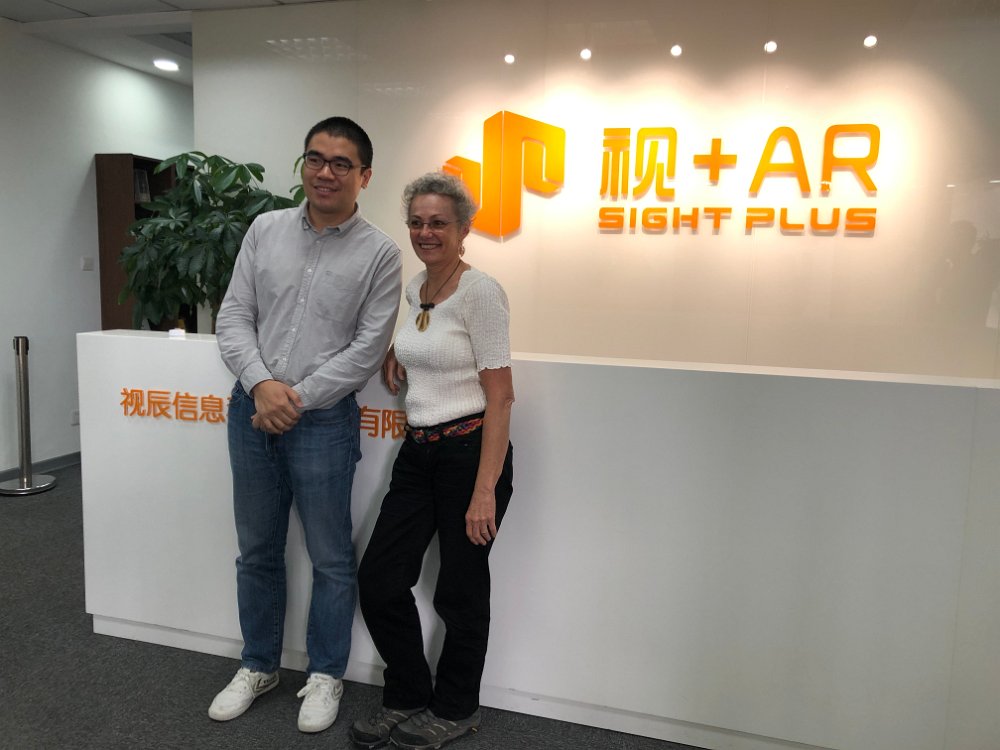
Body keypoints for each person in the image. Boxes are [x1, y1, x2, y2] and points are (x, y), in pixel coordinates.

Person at [209, 117, 402, 733]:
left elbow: (367, 349)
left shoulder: (381, 254)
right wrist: (261, 385)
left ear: (364, 176)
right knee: (256, 551)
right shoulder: (264, 230)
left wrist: (294, 398)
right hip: (250, 412)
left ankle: (325, 674)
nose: (325, 172)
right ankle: (258, 664)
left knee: (330, 557)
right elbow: (233, 316)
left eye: (342, 163)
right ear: (303, 165)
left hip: (323, 422)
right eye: (315, 159)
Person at [350, 172, 515, 750]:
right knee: (379, 579)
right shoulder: (417, 286)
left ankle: (456, 708)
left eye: (439, 222)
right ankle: (408, 694)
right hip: (418, 452)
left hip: (470, 454)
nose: (426, 232)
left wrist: (485, 489)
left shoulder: (481, 292)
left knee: (460, 592)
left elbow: (501, 396)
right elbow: (429, 337)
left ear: (464, 229)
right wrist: (397, 351)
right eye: (417, 222)